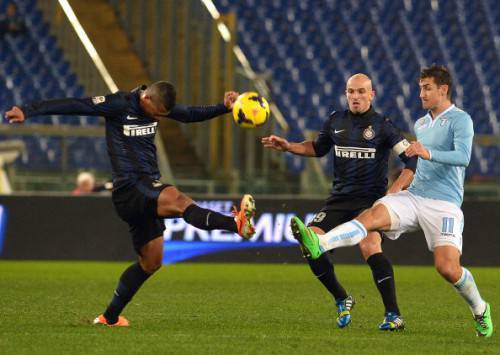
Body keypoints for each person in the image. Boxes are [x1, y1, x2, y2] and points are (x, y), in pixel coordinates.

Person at [5, 81, 256, 326]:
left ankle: (109, 318)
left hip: (145, 191)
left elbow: (189, 114)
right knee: (179, 200)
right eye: (156, 114)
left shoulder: (157, 105)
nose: (158, 119)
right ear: (146, 98)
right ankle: (235, 224)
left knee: (151, 262)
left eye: (162, 115)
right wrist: (28, 110)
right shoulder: (118, 104)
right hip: (130, 187)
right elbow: (74, 104)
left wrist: (223, 107)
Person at [293, 65, 493, 337]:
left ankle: (480, 308)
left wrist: (428, 152)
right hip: (413, 196)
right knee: (372, 217)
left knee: (447, 268)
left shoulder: (461, 120)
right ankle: (320, 243)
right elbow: (414, 164)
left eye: (427, 88)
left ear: (443, 90)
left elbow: (463, 158)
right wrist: (398, 186)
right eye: (420, 87)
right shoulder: (421, 123)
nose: (420, 93)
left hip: (444, 203)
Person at [262, 73, 417, 330]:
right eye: (350, 91)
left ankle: (393, 315)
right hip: (339, 200)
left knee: (370, 246)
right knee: (309, 242)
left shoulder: (383, 126)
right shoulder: (336, 120)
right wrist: (288, 146)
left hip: (370, 202)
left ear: (371, 94)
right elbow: (317, 148)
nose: (355, 96)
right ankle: (342, 298)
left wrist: (396, 189)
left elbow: (411, 160)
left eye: (360, 91)